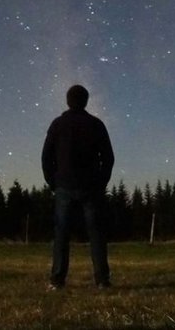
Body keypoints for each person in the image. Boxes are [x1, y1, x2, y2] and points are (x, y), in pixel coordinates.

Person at [42, 84, 115, 290]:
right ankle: (102, 280)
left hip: (64, 187)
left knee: (61, 235)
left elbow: (46, 156)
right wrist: (101, 182)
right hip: (91, 187)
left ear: (68, 101)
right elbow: (108, 157)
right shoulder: (96, 124)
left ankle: (57, 280)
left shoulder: (58, 124)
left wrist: (52, 181)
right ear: (86, 101)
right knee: (97, 235)